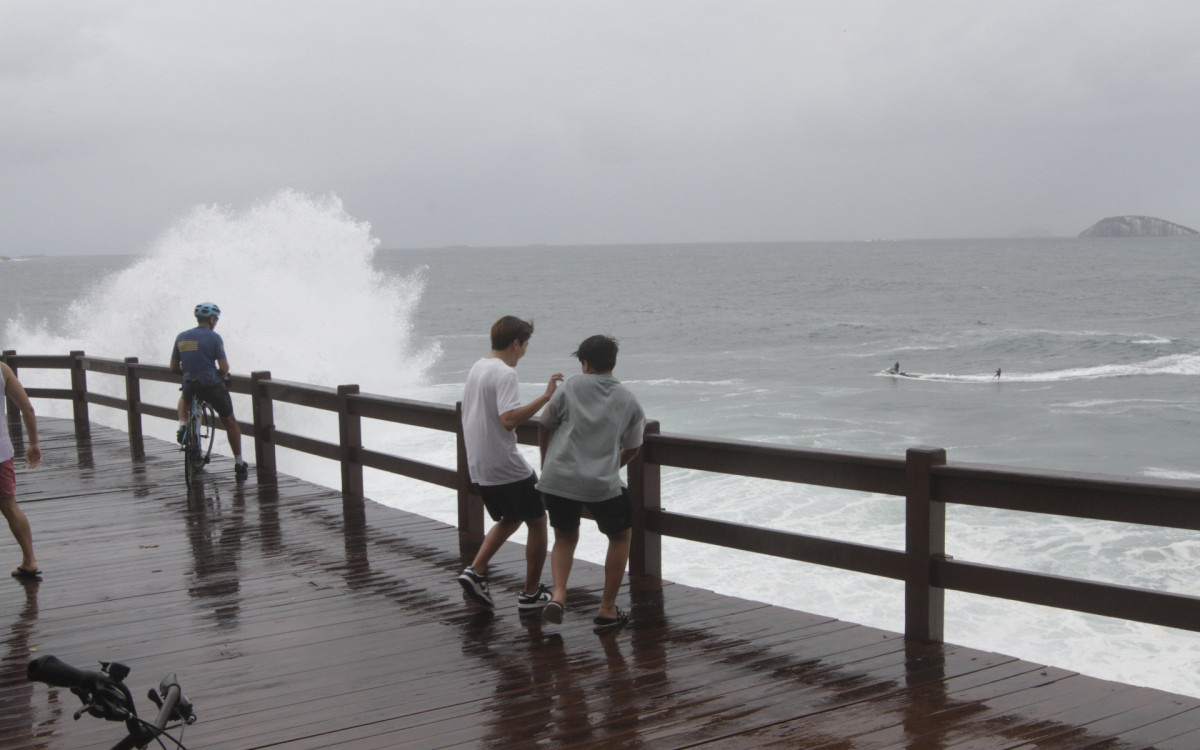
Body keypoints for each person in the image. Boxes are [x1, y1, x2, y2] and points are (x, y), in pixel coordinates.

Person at [537, 335, 646, 633]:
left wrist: (547, 463)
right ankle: (607, 608)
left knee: (565, 537)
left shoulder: (571, 386)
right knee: (620, 536)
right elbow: (634, 448)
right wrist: (612, 466)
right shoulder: (629, 400)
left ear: (585, 363)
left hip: (558, 479)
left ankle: (559, 594)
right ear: (613, 363)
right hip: (602, 483)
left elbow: (545, 423)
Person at [457, 316, 563, 611]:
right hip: (504, 463)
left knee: (511, 517)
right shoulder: (505, 374)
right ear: (516, 343)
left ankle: (475, 571)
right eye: (525, 345)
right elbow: (507, 419)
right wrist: (546, 397)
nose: (525, 352)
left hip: (479, 463)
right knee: (538, 520)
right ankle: (530, 594)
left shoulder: (478, 367)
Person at [170, 302, 248, 479]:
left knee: (184, 397)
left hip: (191, 384)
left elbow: (173, 368)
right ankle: (238, 462)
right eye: (216, 319)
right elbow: (224, 367)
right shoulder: (214, 338)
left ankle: (182, 424)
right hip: (211, 386)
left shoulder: (181, 337)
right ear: (212, 319)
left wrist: (190, 372)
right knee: (230, 422)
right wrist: (218, 375)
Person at [2, 362, 42, 580]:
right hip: (1, 451)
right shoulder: (2, 370)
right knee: (9, 506)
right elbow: (27, 408)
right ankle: (30, 561)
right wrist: (33, 443)